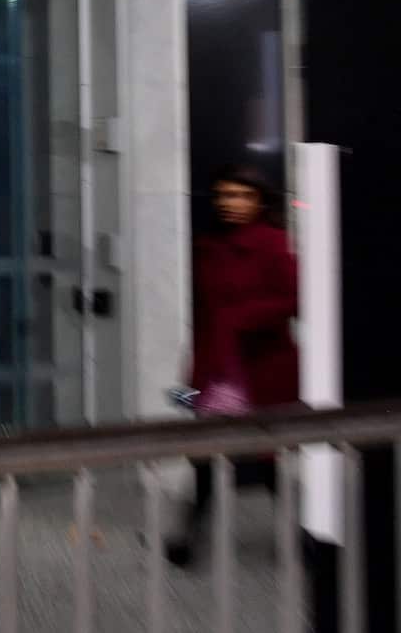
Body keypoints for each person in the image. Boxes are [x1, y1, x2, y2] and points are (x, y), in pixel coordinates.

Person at [166, 165, 299, 566]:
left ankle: (298, 538)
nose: (233, 204)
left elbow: (294, 299)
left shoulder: (275, 243)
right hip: (215, 367)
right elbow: (203, 315)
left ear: (260, 201)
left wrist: (241, 318)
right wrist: (191, 373)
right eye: (226, 196)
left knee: (268, 458)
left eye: (243, 196)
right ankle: (189, 537)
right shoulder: (206, 247)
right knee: (205, 457)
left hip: (264, 366)